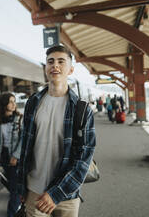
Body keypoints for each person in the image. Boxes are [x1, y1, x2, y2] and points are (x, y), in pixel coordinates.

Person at [17, 45, 96, 217]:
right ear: (45, 68)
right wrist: (21, 186)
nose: (55, 66)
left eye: (61, 61)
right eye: (50, 62)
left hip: (66, 195)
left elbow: (84, 158)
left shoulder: (81, 109)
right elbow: (25, 147)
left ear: (71, 69)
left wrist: (57, 194)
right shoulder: (33, 102)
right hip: (34, 191)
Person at [0, 92, 23, 217]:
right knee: (6, 180)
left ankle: (12, 213)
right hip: (4, 155)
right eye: (10, 101)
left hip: (16, 156)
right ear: (4, 104)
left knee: (14, 187)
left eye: (14, 101)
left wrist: (16, 156)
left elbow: (23, 139)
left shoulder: (20, 118)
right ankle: (19, 196)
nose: (13, 104)